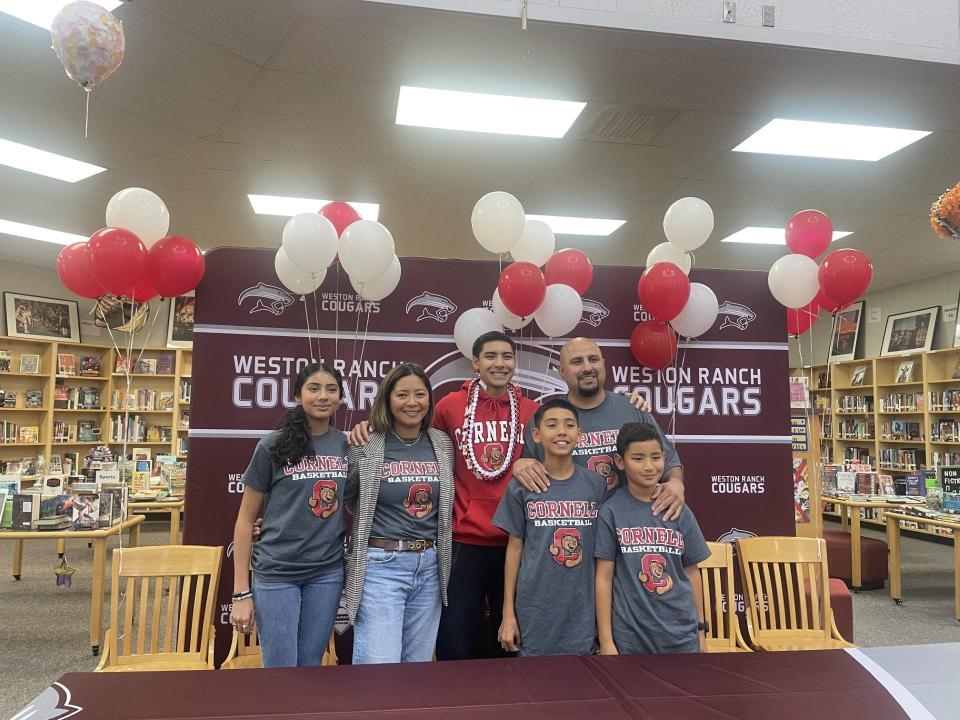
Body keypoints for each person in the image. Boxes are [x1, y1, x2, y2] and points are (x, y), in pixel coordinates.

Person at [230, 362, 348, 667]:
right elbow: (245, 521)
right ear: (298, 395)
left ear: (340, 397)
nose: (323, 396)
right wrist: (241, 593)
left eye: (331, 389)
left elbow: (355, 502)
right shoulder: (272, 446)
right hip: (277, 573)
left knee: (310, 665)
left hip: (326, 573)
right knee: (280, 668)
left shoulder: (346, 445)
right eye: (314, 388)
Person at [344, 363, 456, 664]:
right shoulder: (366, 442)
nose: (412, 402)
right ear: (386, 399)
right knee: (379, 665)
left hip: (431, 565)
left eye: (420, 394)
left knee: (416, 667)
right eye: (402, 394)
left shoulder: (442, 443)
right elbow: (349, 497)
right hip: (382, 566)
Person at [513, 337, 686, 520]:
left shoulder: (632, 409)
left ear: (603, 364)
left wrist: (675, 483)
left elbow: (670, 463)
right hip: (573, 527)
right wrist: (521, 464)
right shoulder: (547, 417)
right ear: (561, 371)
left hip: (624, 525)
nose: (587, 368)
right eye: (577, 362)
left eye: (593, 359)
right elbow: (528, 466)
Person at [492, 398, 606, 656]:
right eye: (552, 425)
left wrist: (603, 618)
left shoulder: (596, 485)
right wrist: (508, 613)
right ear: (536, 435)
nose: (562, 431)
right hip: (535, 608)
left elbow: (603, 556)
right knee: (535, 689)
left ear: (579, 434)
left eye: (569, 425)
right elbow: (514, 549)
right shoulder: (523, 484)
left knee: (583, 686)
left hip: (582, 609)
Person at [594, 422, 709, 655]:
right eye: (638, 459)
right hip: (631, 638)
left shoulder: (679, 509)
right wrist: (606, 642)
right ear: (620, 462)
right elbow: (604, 578)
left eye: (655, 457)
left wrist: (701, 633)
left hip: (682, 637)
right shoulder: (611, 512)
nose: (648, 466)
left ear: (664, 458)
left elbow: (692, 572)